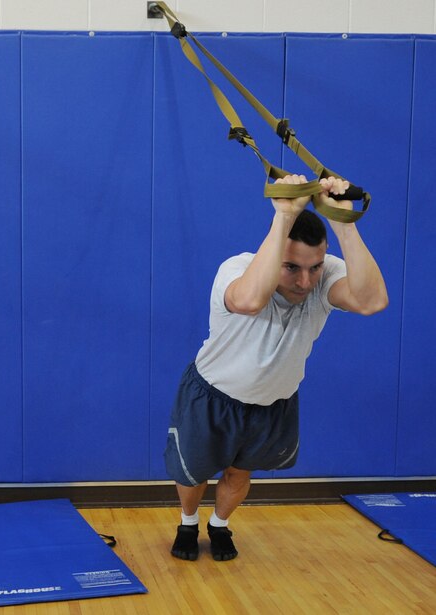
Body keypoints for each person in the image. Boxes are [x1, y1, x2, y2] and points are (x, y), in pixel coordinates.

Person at [164, 174, 388, 562]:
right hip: (212, 395)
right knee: (193, 474)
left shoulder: (325, 275)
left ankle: (219, 525)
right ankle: (187, 522)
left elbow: (371, 301)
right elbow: (250, 301)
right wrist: (284, 216)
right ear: (273, 247)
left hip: (271, 403)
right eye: (291, 267)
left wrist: (343, 223)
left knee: (239, 473)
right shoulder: (236, 269)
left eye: (314, 267)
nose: (305, 281)